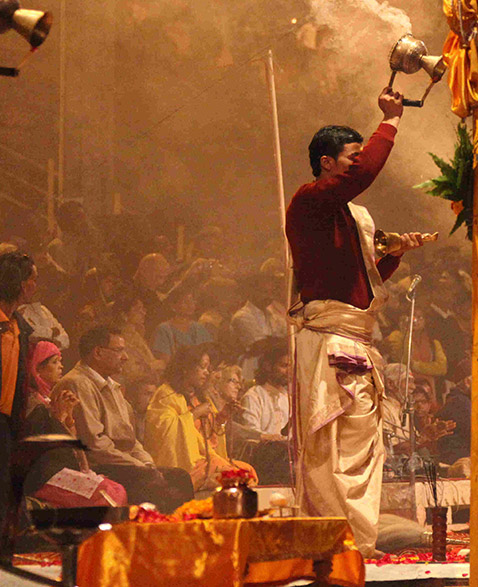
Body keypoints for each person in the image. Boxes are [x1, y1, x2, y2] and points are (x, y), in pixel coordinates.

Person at [285, 86, 433, 556]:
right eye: (349, 157)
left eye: (357, 155)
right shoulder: (310, 200)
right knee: (328, 452)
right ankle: (332, 541)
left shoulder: (353, 215)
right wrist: (389, 123)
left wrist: (394, 255)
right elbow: (363, 174)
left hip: (358, 339)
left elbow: (362, 278)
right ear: (327, 162)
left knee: (363, 449)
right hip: (328, 340)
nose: (356, 163)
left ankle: (358, 542)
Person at [65, 326, 194, 513]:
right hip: (100, 465)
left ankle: (185, 533)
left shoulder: (112, 385)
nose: (125, 357)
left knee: (179, 476)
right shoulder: (78, 383)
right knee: (151, 481)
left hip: (124, 463)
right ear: (98, 352)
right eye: (119, 350)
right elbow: (94, 444)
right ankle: (154, 536)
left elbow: (130, 440)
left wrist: (147, 463)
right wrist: (140, 467)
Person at [21, 340, 129, 508]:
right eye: (54, 362)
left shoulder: (48, 399)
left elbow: (72, 445)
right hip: (44, 475)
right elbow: (46, 448)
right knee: (107, 495)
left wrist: (68, 417)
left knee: (117, 489)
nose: (61, 367)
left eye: (60, 361)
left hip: (62, 469)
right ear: (37, 369)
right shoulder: (29, 403)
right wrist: (60, 417)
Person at [144, 346, 255, 490]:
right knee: (234, 477)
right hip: (184, 464)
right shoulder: (165, 394)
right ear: (186, 368)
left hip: (205, 459)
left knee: (249, 471)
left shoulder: (199, 396)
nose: (207, 372)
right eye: (202, 367)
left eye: (208, 368)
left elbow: (208, 438)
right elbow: (163, 431)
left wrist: (221, 418)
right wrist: (194, 413)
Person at [0, 253, 36, 551]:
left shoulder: (19, 326)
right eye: (32, 278)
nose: (35, 285)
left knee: (1, 484)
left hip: (5, 421)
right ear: (21, 284)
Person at [235, 342, 293, 484]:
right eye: (284, 366)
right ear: (268, 366)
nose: (289, 371)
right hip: (264, 460)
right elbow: (251, 435)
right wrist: (275, 439)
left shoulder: (290, 398)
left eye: (290, 366)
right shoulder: (254, 396)